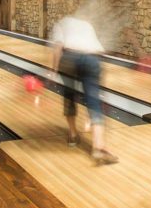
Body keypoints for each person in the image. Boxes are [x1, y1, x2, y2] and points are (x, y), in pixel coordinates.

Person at [50, 11, 118, 165]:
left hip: (70, 58)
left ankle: (73, 134)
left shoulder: (60, 24)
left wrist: (54, 69)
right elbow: (99, 50)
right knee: (93, 102)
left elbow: (58, 47)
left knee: (69, 96)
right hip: (92, 58)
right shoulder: (87, 25)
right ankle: (98, 146)